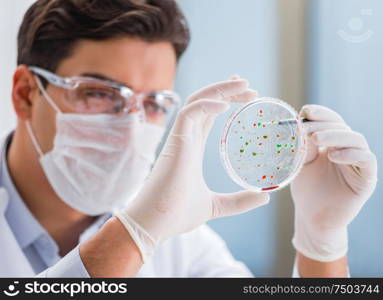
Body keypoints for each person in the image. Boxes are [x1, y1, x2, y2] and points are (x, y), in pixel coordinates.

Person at [0, 0, 377, 278]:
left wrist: (320, 242)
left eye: (154, 103)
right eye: (100, 93)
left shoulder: (179, 243)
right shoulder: (151, 225)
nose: (131, 126)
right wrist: (135, 234)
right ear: (26, 94)